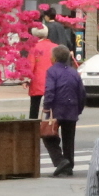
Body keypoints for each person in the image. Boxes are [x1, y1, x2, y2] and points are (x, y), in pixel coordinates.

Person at [41, 45, 84, 177]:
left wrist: (47, 106)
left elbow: (50, 90)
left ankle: (60, 160)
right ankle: (69, 165)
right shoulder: (74, 72)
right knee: (69, 139)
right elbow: (81, 92)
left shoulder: (52, 71)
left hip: (56, 108)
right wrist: (79, 109)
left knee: (48, 136)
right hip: (72, 109)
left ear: (53, 58)